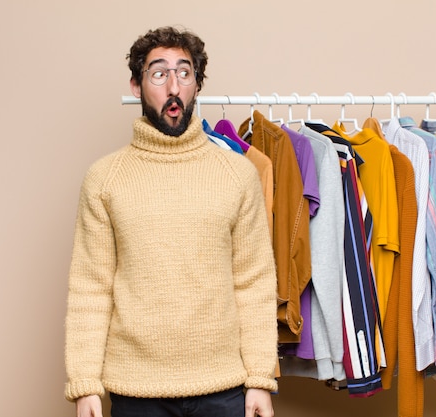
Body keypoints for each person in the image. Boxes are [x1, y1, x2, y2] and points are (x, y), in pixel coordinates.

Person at [63, 26, 278, 417]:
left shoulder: (238, 174)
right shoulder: (105, 178)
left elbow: (254, 283)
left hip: (225, 389)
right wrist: (85, 384)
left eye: (184, 72)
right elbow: (90, 288)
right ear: (136, 86)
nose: (173, 86)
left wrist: (261, 378)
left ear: (197, 85)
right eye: (159, 73)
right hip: (135, 391)